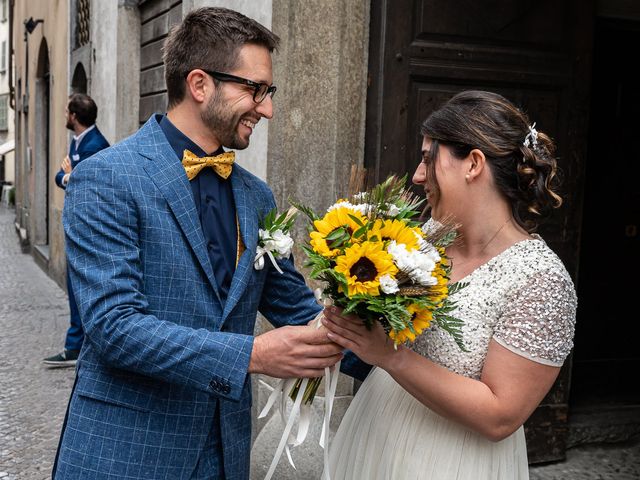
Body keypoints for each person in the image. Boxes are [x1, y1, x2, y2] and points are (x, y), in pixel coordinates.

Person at [52, 7, 349, 479]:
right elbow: (114, 328)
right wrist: (253, 354)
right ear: (199, 84)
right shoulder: (105, 178)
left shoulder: (257, 195)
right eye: (254, 90)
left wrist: (395, 343)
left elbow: (295, 308)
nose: (267, 108)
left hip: (226, 453)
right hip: (127, 452)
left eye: (268, 92)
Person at [322, 90, 577, 479]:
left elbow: (500, 416)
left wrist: (390, 356)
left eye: (428, 158)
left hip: (452, 460)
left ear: (473, 163)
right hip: (376, 432)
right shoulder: (426, 239)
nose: (417, 175)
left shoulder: (541, 279)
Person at [43, 93, 109, 368]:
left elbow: (76, 179)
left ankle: (77, 347)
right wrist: (69, 175)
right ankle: (77, 345)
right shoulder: (78, 141)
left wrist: (70, 174)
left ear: (74, 116)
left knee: (83, 287)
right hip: (78, 223)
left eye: (66, 111)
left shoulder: (96, 145)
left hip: (92, 226)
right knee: (74, 286)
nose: (64, 116)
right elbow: (61, 177)